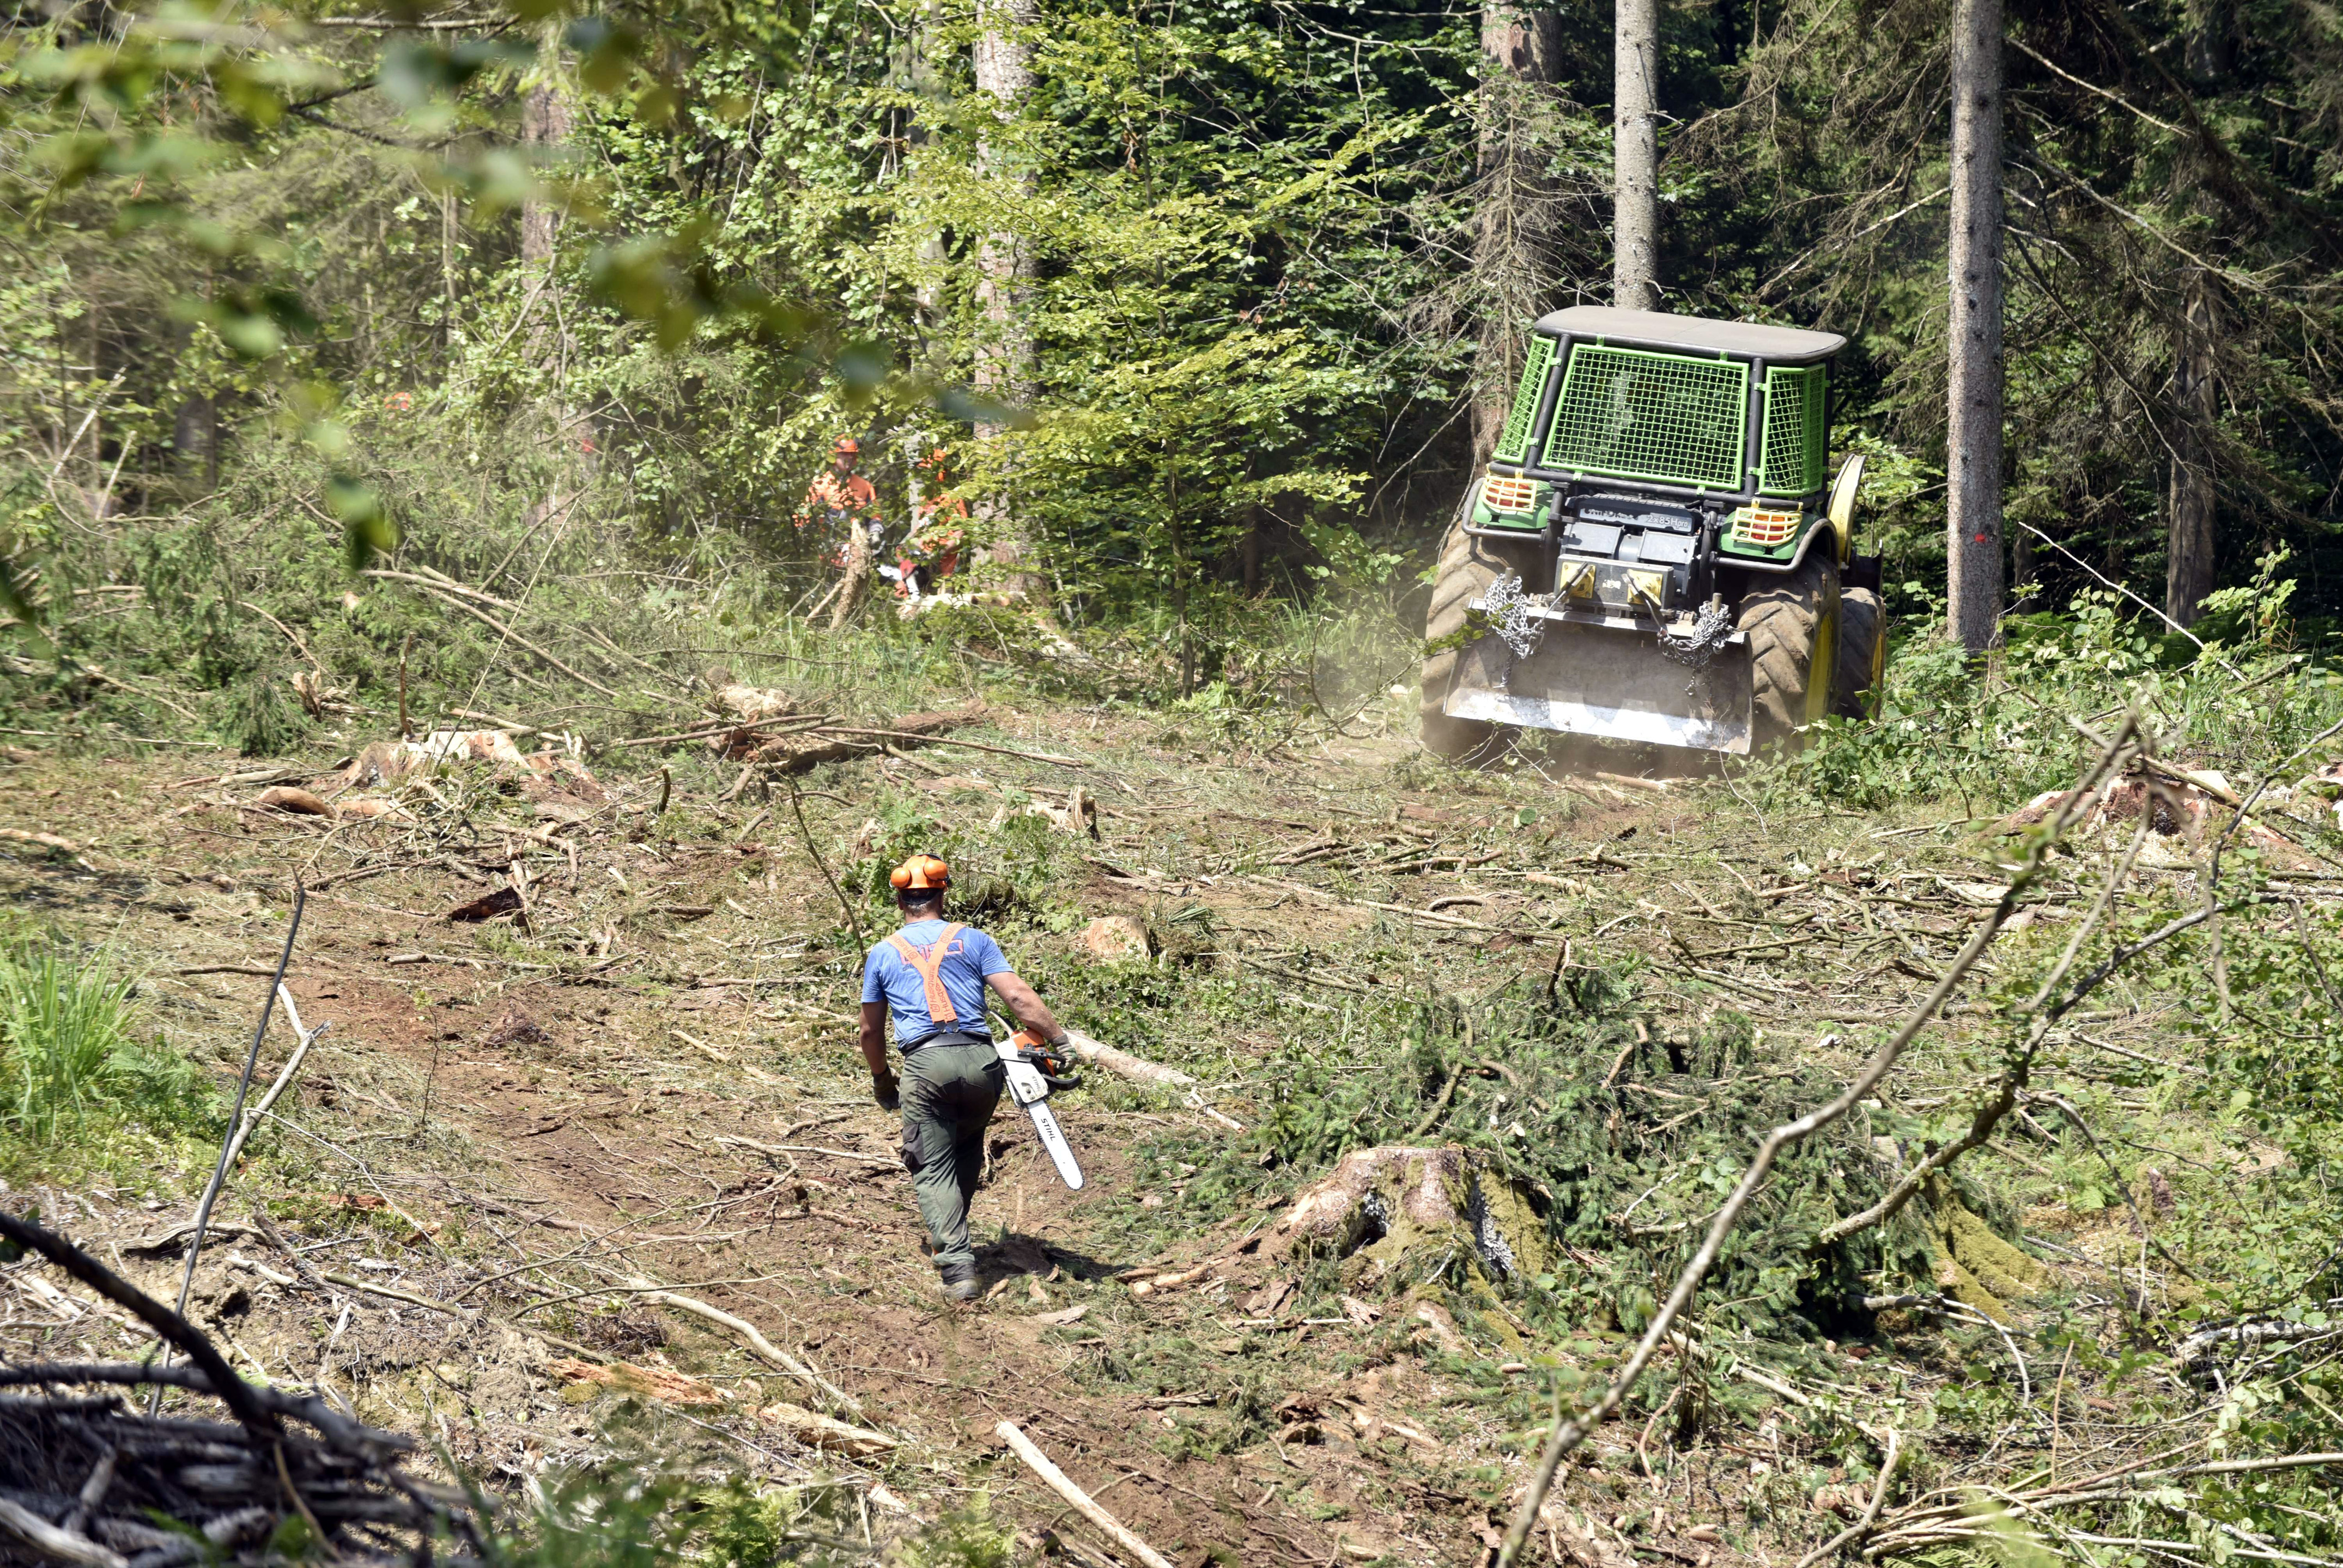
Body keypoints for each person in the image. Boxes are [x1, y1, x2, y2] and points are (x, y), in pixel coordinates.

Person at [858, 853, 1070, 1300]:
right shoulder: (973, 940)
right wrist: (1059, 1041)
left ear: (899, 900)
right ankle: (952, 1231)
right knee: (967, 1147)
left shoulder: (882, 953)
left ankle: (957, 1267)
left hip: (926, 1065)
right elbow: (1017, 996)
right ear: (943, 893)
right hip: (980, 1063)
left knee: (932, 1165)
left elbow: (870, 1030)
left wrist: (882, 1077)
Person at [796, 437, 884, 626]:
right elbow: (803, 520)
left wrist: (876, 532)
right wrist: (812, 540)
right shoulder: (821, 485)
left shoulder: (864, 486)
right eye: (844, 455)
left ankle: (855, 628)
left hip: (857, 552)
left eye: (852, 455)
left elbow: (875, 516)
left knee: (858, 597)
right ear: (833, 456)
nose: (849, 459)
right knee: (830, 595)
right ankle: (826, 628)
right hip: (828, 553)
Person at [893, 447, 969, 600]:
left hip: (944, 565)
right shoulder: (925, 500)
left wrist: (941, 552)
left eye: (928, 472)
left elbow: (962, 532)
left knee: (943, 604)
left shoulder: (952, 498)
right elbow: (923, 527)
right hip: (923, 561)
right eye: (923, 472)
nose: (925, 477)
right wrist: (907, 543)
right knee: (906, 592)